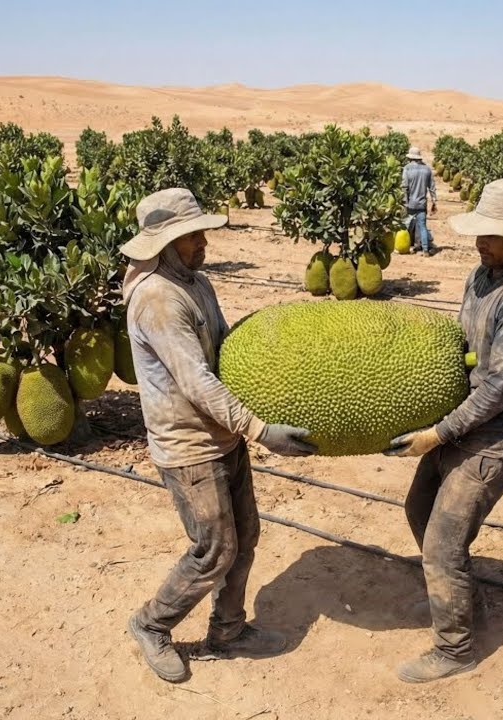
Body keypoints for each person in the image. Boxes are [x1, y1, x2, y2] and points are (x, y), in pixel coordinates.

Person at [122, 188, 317, 684]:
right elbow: (197, 381)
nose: (202, 242)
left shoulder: (198, 284)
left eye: (200, 233)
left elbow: (225, 350)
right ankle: (151, 624)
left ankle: (227, 630)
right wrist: (260, 428)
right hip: (187, 447)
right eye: (191, 237)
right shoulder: (157, 299)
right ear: (165, 244)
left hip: (223, 436)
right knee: (214, 550)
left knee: (244, 537)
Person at [385, 178, 503, 683]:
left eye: (492, 235)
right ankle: (459, 600)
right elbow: (462, 348)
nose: (480, 242)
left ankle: (455, 648)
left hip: (494, 442)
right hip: (459, 425)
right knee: (419, 510)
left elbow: (499, 389)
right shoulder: (482, 276)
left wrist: (437, 434)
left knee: (443, 546)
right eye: (479, 232)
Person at [401, 146, 439, 256]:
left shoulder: (407, 168)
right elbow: (432, 187)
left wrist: (404, 202)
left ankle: (406, 247)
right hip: (422, 204)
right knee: (422, 227)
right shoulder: (427, 169)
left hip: (410, 204)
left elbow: (404, 187)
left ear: (410, 158)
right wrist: (434, 201)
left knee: (405, 226)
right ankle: (425, 250)